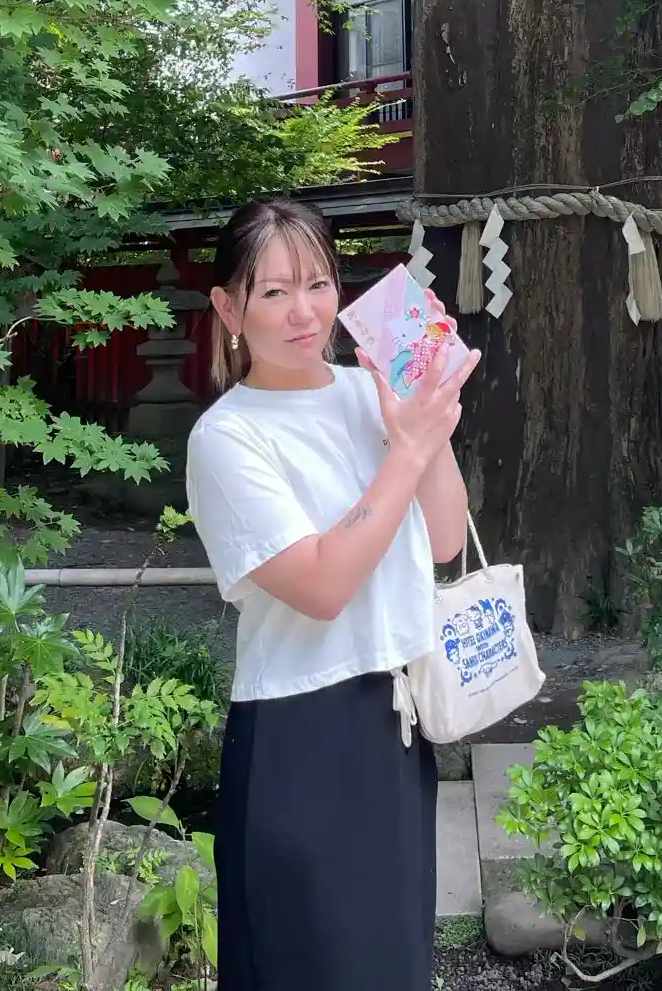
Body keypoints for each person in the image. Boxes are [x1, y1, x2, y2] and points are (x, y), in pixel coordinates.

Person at [184, 196, 478, 991]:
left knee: (392, 967)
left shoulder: (369, 393)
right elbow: (321, 585)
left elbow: (444, 539)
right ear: (229, 309)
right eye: (274, 291)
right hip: (297, 735)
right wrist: (405, 450)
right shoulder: (227, 437)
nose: (304, 311)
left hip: (395, 725)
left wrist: (427, 425)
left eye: (317, 284)